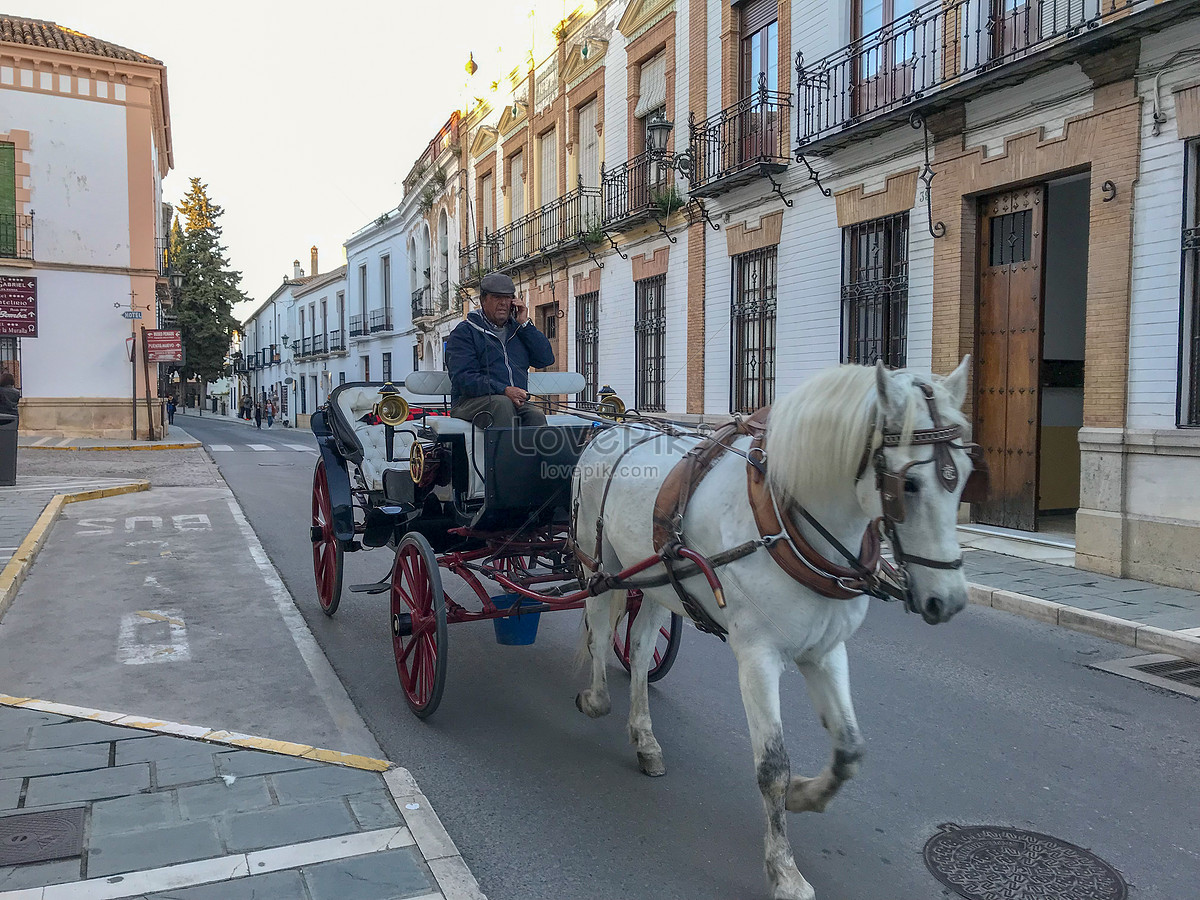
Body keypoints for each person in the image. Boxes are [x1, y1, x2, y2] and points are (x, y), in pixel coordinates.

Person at [445, 272, 554, 427]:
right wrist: (503, 390)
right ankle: (506, 452)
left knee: (535, 414)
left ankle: (537, 452)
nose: (503, 303)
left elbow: (545, 359)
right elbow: (463, 378)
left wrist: (525, 325)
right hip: (469, 403)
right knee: (502, 405)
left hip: (513, 403)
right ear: (483, 300)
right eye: (497, 297)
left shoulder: (519, 330)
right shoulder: (465, 332)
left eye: (508, 297)